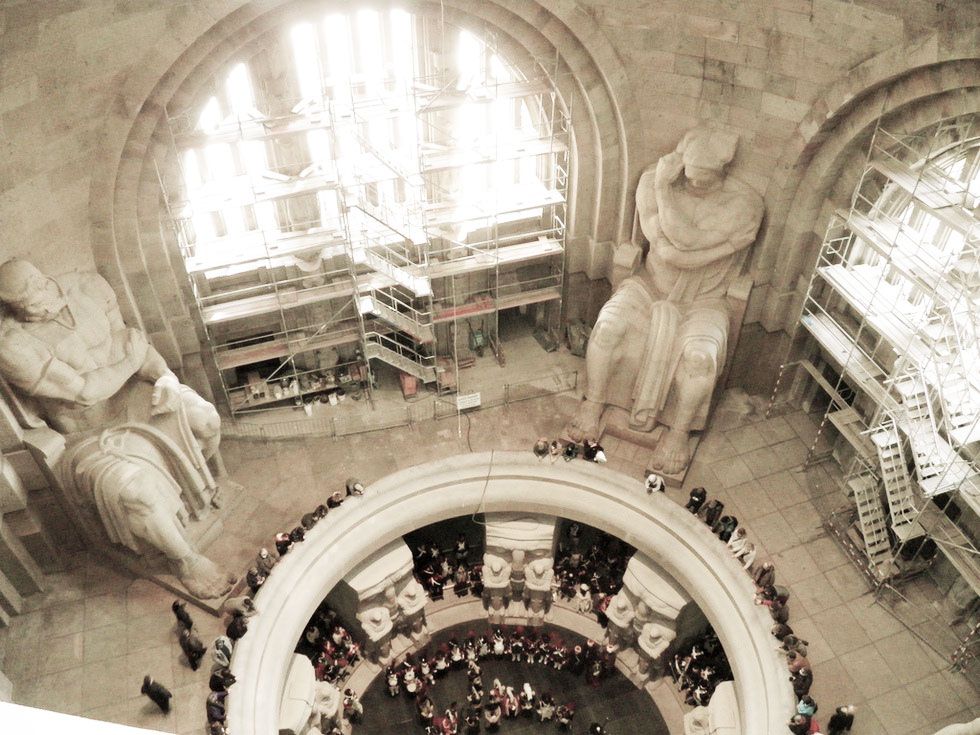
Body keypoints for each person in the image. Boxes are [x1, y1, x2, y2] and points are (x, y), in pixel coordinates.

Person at [567, 128, 764, 474]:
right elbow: (662, 244)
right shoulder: (649, 181)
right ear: (679, 164)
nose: (694, 185)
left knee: (700, 359)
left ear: (722, 171)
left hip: (707, 300)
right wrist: (660, 190)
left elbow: (683, 243)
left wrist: (664, 190)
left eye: (704, 180)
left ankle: (677, 433)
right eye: (688, 177)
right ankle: (593, 403)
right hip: (651, 285)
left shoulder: (744, 204)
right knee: (607, 328)